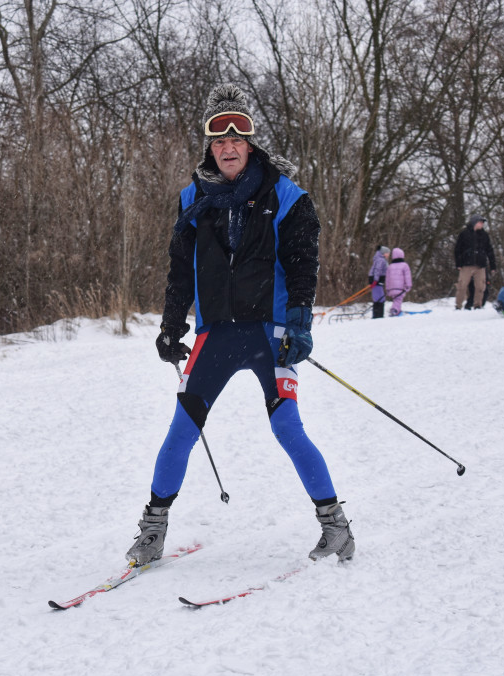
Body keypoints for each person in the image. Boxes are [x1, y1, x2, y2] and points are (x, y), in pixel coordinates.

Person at [129, 83, 354, 567]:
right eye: (218, 138)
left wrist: (299, 323)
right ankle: (151, 531)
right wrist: (171, 327)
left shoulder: (287, 196)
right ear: (209, 146)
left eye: (237, 137)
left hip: (269, 334)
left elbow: (302, 266)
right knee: (180, 431)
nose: (228, 147)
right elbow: (179, 270)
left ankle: (336, 527)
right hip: (215, 335)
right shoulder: (193, 197)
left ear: (250, 143)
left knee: (287, 428)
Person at [453, 214, 496, 310]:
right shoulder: (464, 234)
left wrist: (493, 266)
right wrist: (458, 263)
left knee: (481, 286)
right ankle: (458, 306)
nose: (482, 224)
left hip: (480, 265)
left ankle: (478, 305)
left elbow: (490, 250)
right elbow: (457, 249)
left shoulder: (484, 235)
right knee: (462, 286)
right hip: (466, 264)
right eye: (480, 222)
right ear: (474, 222)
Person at [385, 247, 412, 316]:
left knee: (396, 300)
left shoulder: (390, 266)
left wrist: (387, 288)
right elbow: (407, 277)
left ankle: (397, 310)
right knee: (398, 300)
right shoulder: (405, 265)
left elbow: (387, 279)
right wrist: (408, 285)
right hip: (400, 287)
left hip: (391, 288)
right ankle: (394, 310)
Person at [368, 245, 390, 318]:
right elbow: (377, 271)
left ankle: (378, 315)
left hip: (377, 280)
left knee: (379, 298)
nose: (388, 255)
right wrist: (375, 280)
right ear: (383, 253)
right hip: (377, 280)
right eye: (387, 253)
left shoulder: (380, 259)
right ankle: (378, 315)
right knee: (380, 299)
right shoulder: (381, 260)